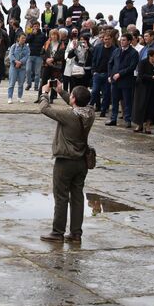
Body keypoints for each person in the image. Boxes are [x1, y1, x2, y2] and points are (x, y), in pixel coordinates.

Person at [37, 82, 95, 243]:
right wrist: (62, 91)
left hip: (65, 161)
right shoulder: (90, 112)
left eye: (71, 96)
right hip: (81, 161)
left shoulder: (69, 115)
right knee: (77, 197)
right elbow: (78, 102)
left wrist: (45, 93)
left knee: (61, 197)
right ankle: (76, 233)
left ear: (74, 99)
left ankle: (57, 232)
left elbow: (44, 109)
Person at [131, 44, 154, 134]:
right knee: (140, 106)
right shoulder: (143, 62)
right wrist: (152, 77)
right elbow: (141, 75)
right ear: (150, 56)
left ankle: (148, 125)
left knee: (152, 107)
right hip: (143, 88)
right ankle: (139, 124)